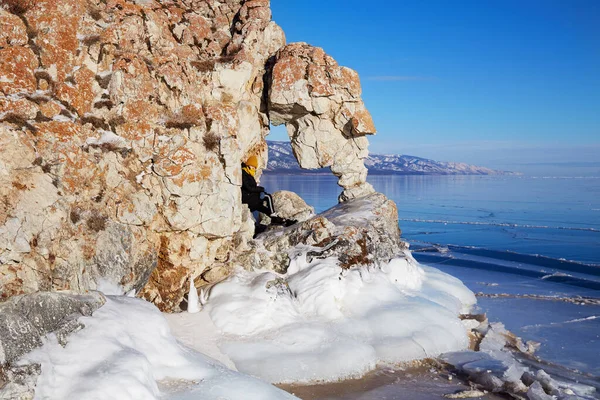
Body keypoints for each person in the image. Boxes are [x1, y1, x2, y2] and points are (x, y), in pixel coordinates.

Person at [241, 155, 296, 231]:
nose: (254, 169)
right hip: (247, 199)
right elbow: (248, 187)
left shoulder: (249, 173)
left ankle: (280, 220)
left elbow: (251, 188)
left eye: (254, 167)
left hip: (251, 198)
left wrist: (260, 190)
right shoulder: (244, 173)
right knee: (268, 197)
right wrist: (261, 189)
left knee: (266, 209)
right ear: (248, 165)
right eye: (252, 166)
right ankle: (274, 216)